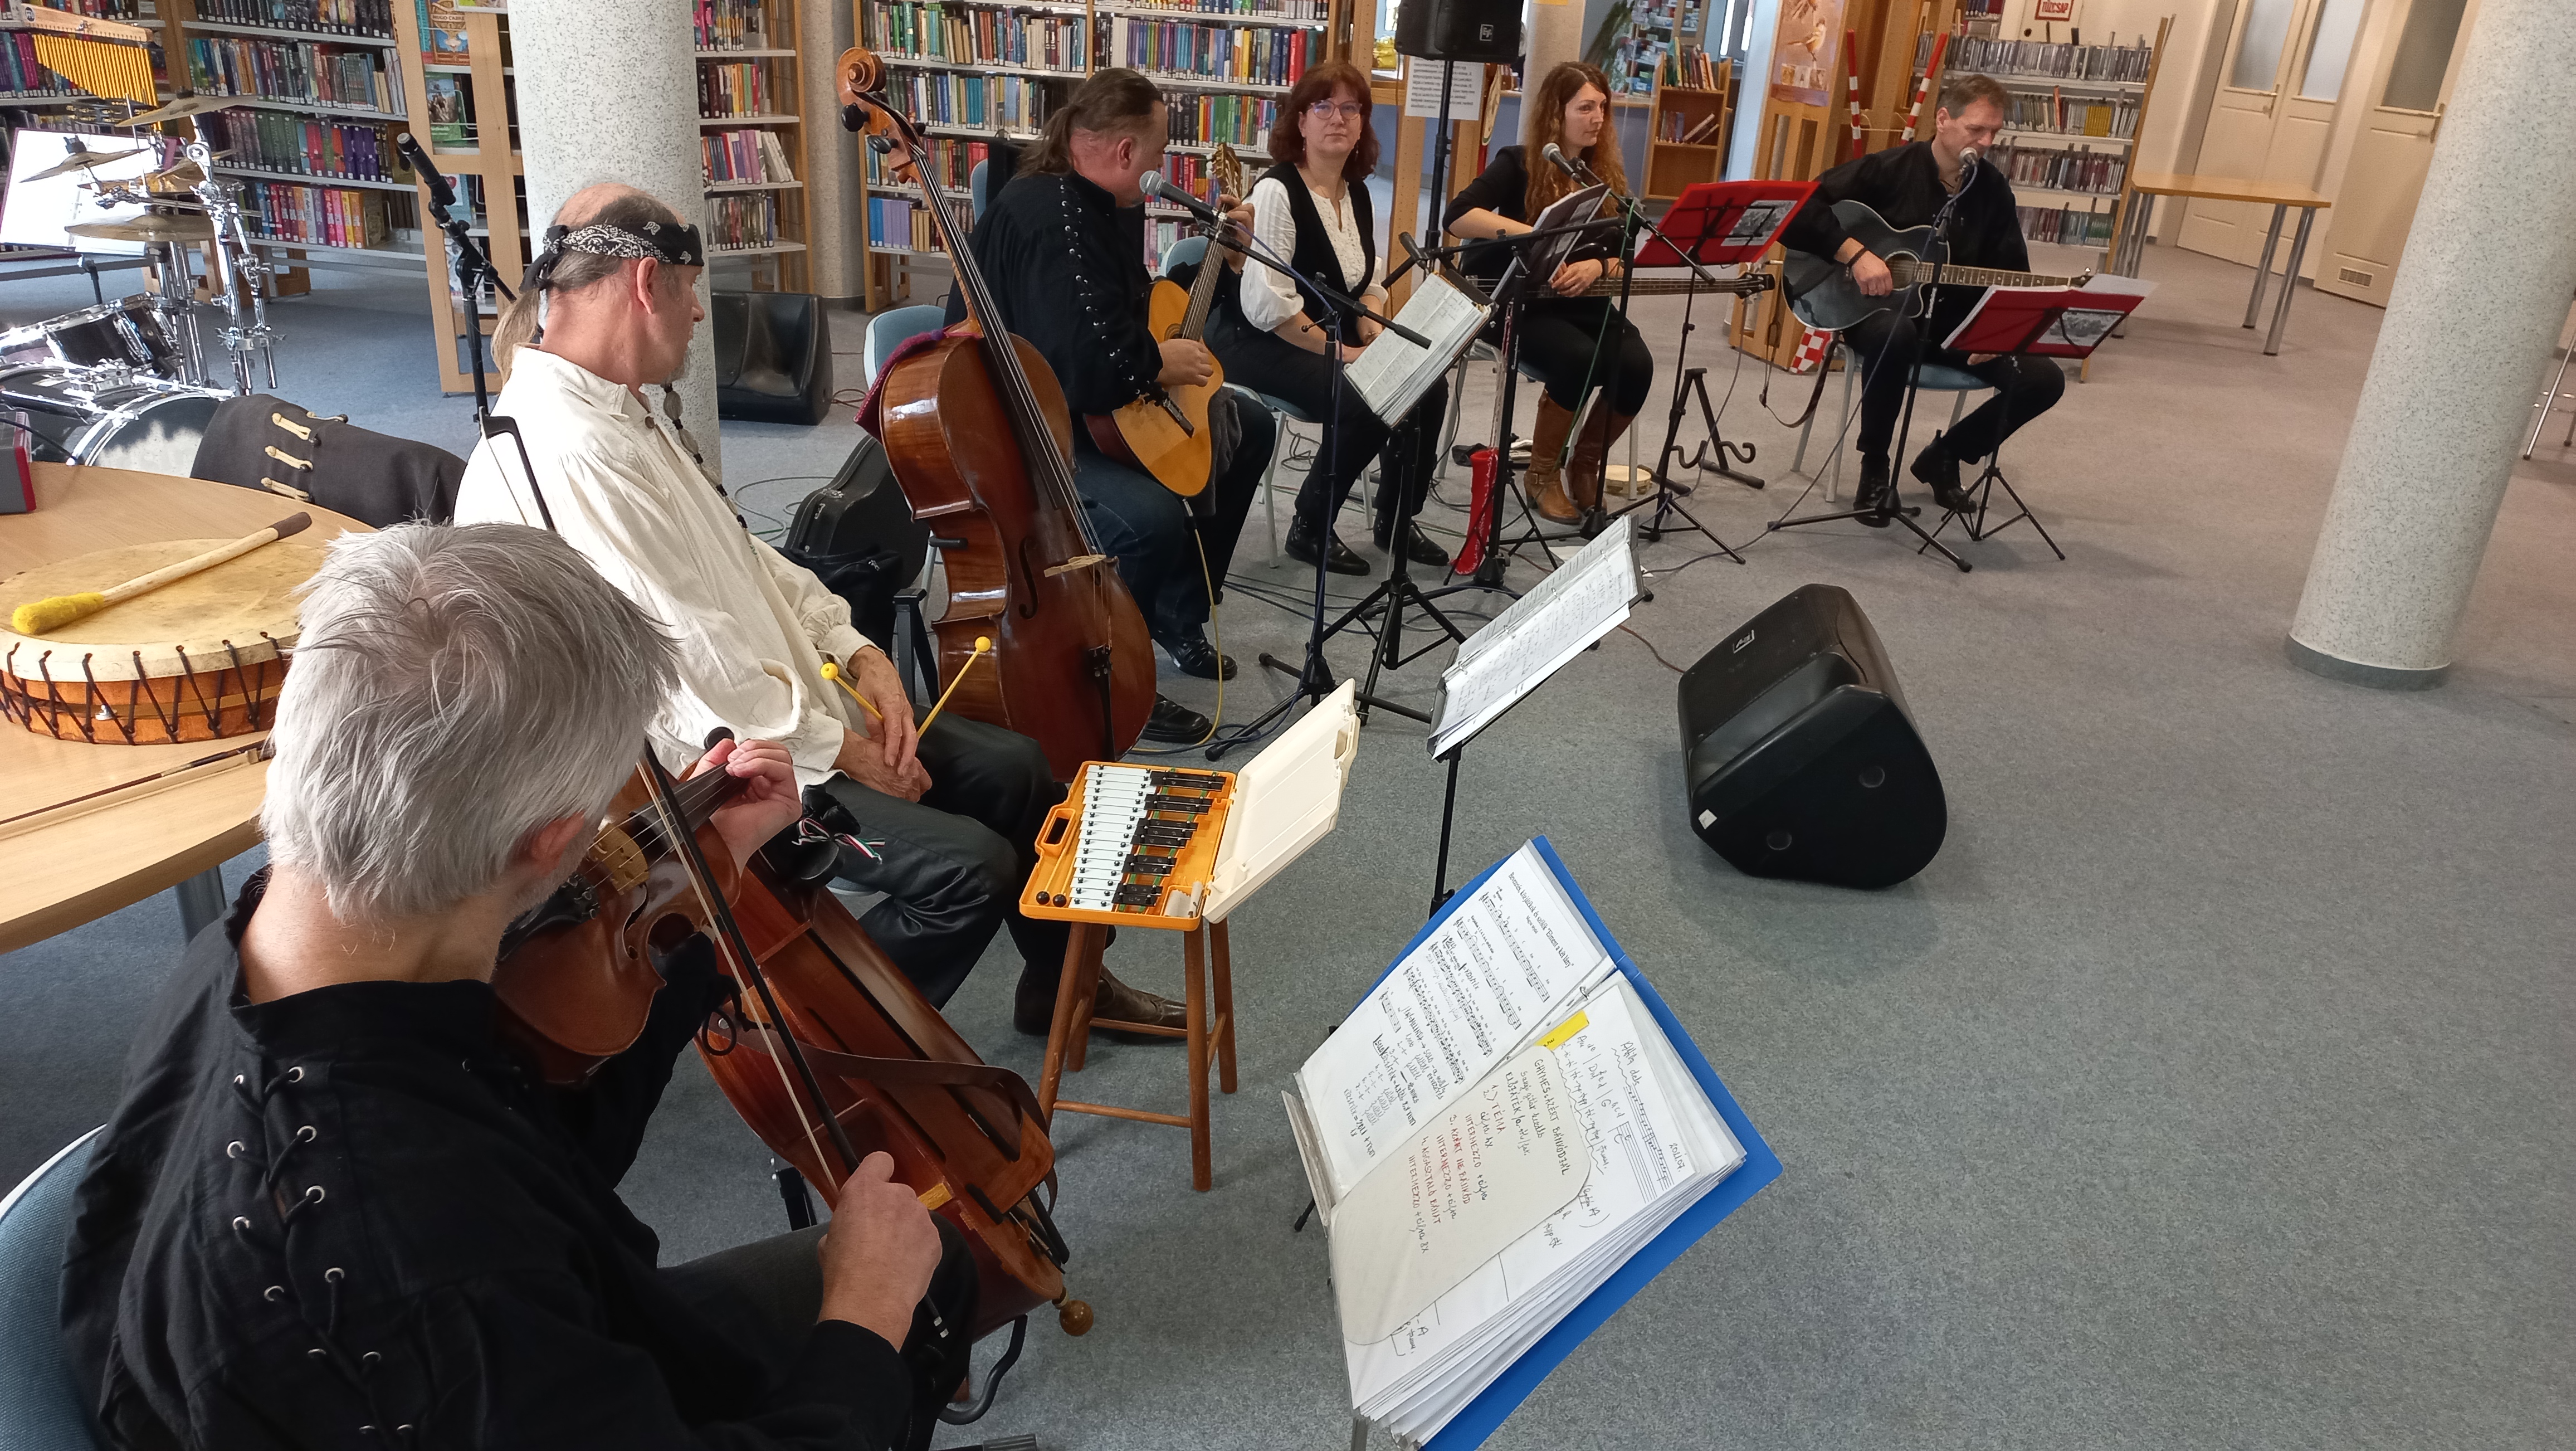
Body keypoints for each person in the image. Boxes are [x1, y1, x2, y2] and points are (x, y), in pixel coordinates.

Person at [60, 522, 974, 1450]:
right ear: (553, 842)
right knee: (925, 1282)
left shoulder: (251, 950)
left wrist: (709, 871)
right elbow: (468, 1236)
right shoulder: (432, 1265)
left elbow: (535, 1152)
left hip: (452, 1369)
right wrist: (864, 1313)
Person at [455, 183, 1185, 1041]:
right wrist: (848, 751)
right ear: (647, 283)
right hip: (723, 776)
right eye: (692, 290)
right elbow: (692, 673)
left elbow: (750, 562)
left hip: (789, 721)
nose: (700, 314)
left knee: (1022, 769)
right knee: (970, 874)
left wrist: (860, 654)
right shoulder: (569, 449)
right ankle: (822, 1051)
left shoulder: (619, 412)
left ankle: (1067, 990)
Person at [947, 67, 1275, 692]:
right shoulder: (1050, 219)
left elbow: (1134, 311)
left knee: (1251, 426)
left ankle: (1176, 614)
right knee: (1151, 518)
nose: (1162, 167)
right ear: (1126, 152)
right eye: (1159, 153)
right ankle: (1109, 678)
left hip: (1089, 406)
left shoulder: (1097, 204)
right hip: (1025, 424)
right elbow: (1083, 364)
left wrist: (1225, 263)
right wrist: (1155, 363)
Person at [1777, 72, 2066, 522]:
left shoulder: (1992, 189)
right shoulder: (1887, 169)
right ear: (1943, 119)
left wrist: (2000, 332)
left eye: (1994, 132)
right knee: (1895, 333)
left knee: (2044, 380)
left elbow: (2012, 272)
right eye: (1976, 129)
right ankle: (1875, 467)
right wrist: (1855, 255)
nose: (1986, 142)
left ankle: (1946, 455)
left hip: (1955, 325)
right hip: (1876, 315)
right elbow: (1797, 211)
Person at [1207, 59, 1450, 577]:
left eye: (1350, 108)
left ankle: (1396, 518)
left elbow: (1367, 285)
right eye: (1323, 107)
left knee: (1427, 384)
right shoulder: (1277, 191)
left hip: (1332, 337)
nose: (1337, 118)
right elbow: (1270, 307)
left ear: (1363, 123)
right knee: (1369, 394)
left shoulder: (1357, 190)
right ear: (1301, 121)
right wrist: (1352, 354)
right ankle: (1310, 525)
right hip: (1260, 341)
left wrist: (1376, 335)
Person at [1444, 61, 1656, 527]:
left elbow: (1623, 254)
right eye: (1585, 108)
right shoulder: (1517, 162)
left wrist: (1598, 265)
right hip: (1516, 299)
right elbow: (1457, 216)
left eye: (1602, 107)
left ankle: (1585, 464)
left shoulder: (1603, 176)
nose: (1598, 118)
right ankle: (1542, 474)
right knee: (1579, 358)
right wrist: (1536, 234)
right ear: (1556, 114)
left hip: (1580, 300)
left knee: (1637, 364)